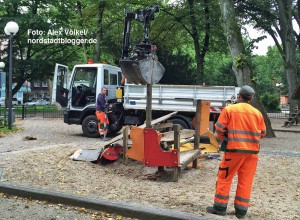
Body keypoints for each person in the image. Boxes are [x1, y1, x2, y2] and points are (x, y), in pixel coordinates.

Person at [206, 85, 266, 219]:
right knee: (246, 180)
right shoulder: (258, 113)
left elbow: (219, 130)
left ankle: (220, 207)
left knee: (225, 177)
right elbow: (262, 133)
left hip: (234, 150)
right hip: (252, 153)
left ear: (239, 96)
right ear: (251, 98)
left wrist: (225, 138)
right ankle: (241, 211)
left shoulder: (230, 109)